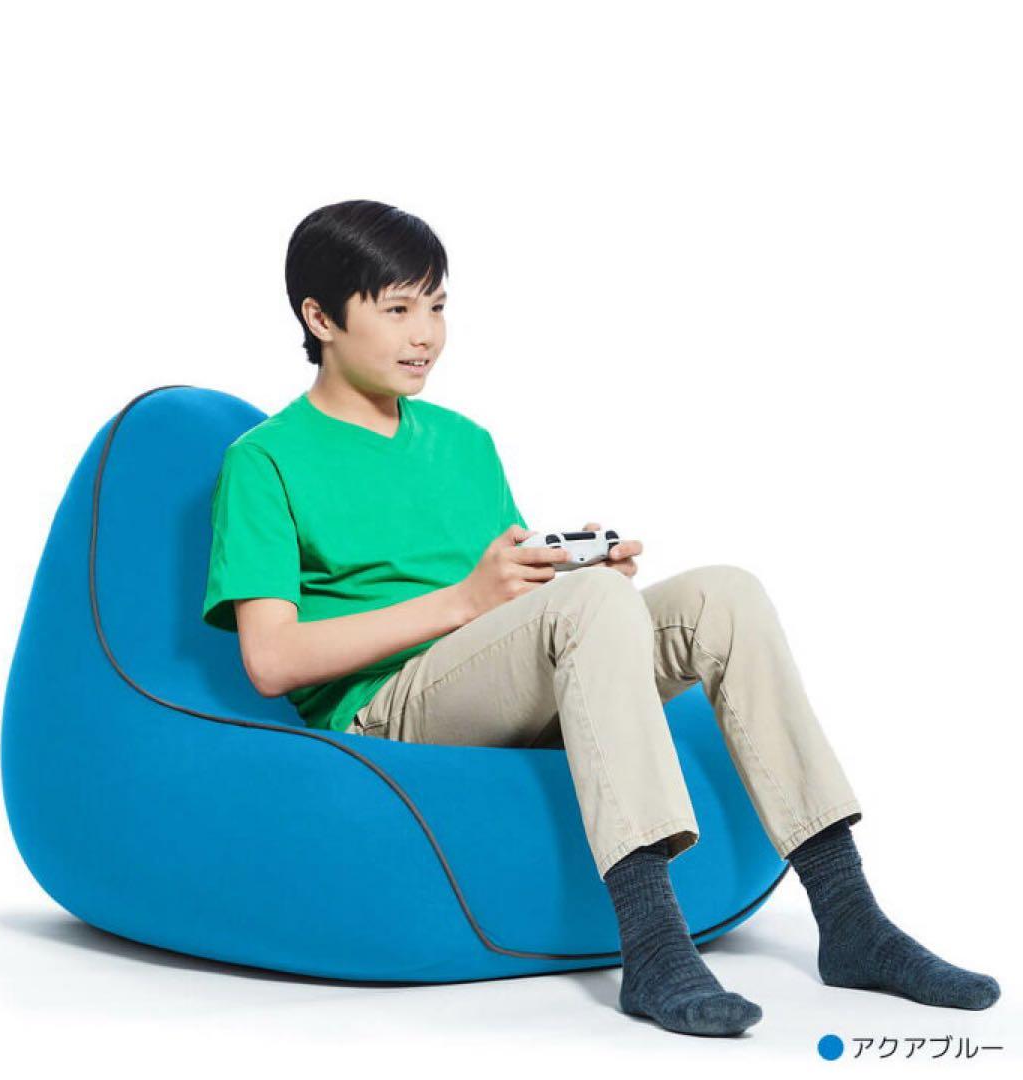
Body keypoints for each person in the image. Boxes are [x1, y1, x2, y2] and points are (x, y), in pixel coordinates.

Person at [202, 199, 1000, 1037]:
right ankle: (652, 944)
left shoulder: (463, 440)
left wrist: (575, 575)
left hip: (489, 679)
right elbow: (271, 660)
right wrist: (472, 601)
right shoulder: (265, 460)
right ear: (320, 318)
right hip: (386, 709)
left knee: (724, 595)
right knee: (588, 607)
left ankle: (849, 915)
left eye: (436, 306)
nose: (426, 335)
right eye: (397, 310)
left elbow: (514, 604)